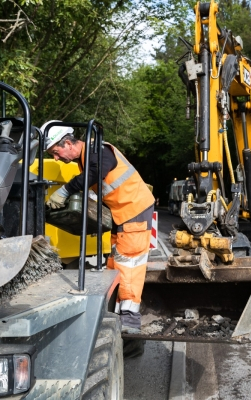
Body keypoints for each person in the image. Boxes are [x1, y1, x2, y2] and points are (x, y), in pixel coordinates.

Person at [42, 121, 155, 340]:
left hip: (133, 209)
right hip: (122, 213)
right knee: (116, 263)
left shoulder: (98, 150)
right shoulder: (86, 158)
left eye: (55, 152)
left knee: (129, 263)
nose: (56, 158)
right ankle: (116, 312)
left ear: (67, 143)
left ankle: (130, 322)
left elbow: (96, 172)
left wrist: (66, 190)